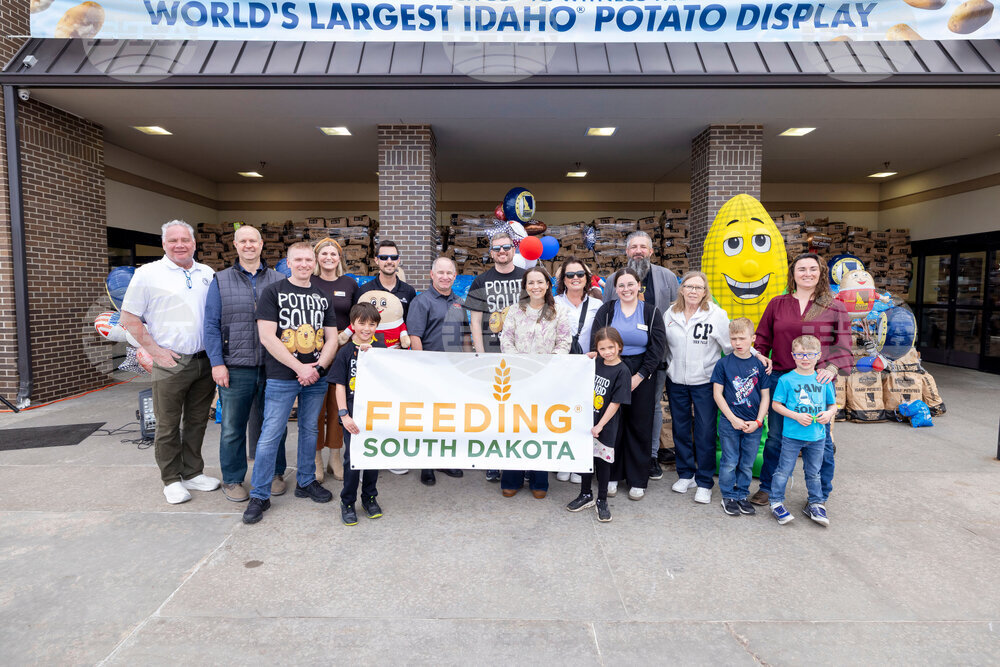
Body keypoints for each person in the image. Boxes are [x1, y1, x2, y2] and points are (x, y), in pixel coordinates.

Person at [121, 220, 220, 505]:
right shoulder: (148, 274)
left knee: (197, 421)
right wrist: (154, 351)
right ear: (164, 244)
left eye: (185, 240)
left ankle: (192, 472)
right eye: (173, 240)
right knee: (167, 424)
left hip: (204, 360)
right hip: (171, 362)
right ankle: (171, 479)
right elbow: (129, 319)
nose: (180, 245)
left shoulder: (207, 273)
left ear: (194, 243)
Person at [242, 242, 339, 525]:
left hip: (316, 377)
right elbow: (267, 336)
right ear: (288, 262)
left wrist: (319, 368)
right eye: (298, 259)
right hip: (283, 376)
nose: (304, 264)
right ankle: (259, 494)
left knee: (310, 430)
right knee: (271, 433)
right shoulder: (273, 292)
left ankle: (306, 482)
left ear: (314, 263)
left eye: (309, 260)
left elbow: (332, 337)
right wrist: (299, 367)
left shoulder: (322, 297)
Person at [750, 253, 852, 507]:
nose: (807, 273)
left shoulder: (834, 306)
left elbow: (844, 346)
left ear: (821, 273)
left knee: (821, 439)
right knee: (776, 437)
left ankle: (820, 493)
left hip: (817, 382)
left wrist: (831, 367)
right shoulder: (777, 304)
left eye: (812, 269)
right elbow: (762, 339)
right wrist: (762, 357)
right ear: (793, 274)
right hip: (781, 378)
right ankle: (768, 487)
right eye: (801, 269)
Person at [204, 224, 287, 502]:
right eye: (243, 241)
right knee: (232, 427)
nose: (249, 245)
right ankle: (233, 479)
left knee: (274, 424)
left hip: (273, 366)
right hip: (235, 365)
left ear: (262, 244)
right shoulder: (220, 280)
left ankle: (275, 473)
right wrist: (217, 363)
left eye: (254, 241)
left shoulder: (277, 278)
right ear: (236, 246)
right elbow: (211, 325)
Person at [601, 230, 678, 482]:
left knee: (651, 408)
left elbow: (675, 315)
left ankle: (651, 456)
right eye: (633, 246)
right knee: (618, 409)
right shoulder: (614, 279)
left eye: (643, 247)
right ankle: (617, 459)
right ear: (626, 252)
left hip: (654, 358)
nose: (638, 251)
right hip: (617, 362)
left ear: (651, 251)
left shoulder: (667, 278)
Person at [590, 268, 666, 501]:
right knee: (613, 424)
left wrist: (640, 375)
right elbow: (597, 339)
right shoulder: (607, 310)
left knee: (639, 424)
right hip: (611, 369)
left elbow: (657, 347)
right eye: (621, 285)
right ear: (615, 288)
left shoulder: (651, 312)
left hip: (641, 372)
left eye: (630, 284)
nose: (626, 289)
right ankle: (611, 475)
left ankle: (637, 479)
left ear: (638, 285)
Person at [499, 265, 572, 498]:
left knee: (540, 428)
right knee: (515, 427)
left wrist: (548, 367)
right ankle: (512, 478)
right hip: (518, 378)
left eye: (540, 282)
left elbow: (564, 343)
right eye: (531, 282)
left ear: (548, 285)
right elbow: (506, 340)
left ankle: (539, 481)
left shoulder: (558, 311)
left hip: (546, 379)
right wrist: (519, 365)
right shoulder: (514, 311)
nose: (535, 286)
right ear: (525, 286)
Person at [663, 271, 733, 505]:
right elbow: (664, 347)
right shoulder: (670, 313)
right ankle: (686, 474)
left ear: (705, 292)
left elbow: (730, 347)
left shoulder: (716, 315)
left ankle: (704, 481)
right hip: (677, 382)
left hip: (705, 382)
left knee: (704, 432)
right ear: (681, 289)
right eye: (689, 286)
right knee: (680, 429)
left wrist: (755, 357)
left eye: (698, 287)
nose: (693, 291)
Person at [465, 231, 526, 482]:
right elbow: (476, 321)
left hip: (522, 355)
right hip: (491, 353)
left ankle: (519, 462)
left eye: (507, 247)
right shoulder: (481, 281)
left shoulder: (526, 278)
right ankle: (493, 460)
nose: (502, 252)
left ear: (514, 249)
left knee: (520, 410)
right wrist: (480, 355)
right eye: (497, 248)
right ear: (490, 253)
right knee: (493, 411)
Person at [406, 256, 468, 485]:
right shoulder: (421, 302)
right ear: (432, 275)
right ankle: (427, 465)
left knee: (449, 417)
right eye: (440, 272)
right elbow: (415, 337)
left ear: (455, 276)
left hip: (454, 370)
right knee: (428, 419)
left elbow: (464, 336)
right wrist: (423, 368)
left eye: (449, 273)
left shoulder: (459, 302)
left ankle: (445, 459)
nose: (445, 277)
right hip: (430, 369)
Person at [768, 335, 837, 526]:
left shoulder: (823, 379)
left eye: (809, 354)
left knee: (814, 472)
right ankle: (775, 502)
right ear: (793, 355)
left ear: (818, 356)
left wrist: (828, 414)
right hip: (792, 436)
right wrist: (795, 416)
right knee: (784, 470)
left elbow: (833, 405)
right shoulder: (786, 379)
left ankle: (815, 503)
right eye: (799, 354)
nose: (805, 358)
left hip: (817, 437)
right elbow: (776, 405)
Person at [567, 327, 631, 522]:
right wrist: (588, 357)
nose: (607, 352)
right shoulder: (595, 362)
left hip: (605, 425)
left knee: (603, 463)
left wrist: (600, 425)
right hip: (588, 420)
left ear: (619, 346)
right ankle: (585, 494)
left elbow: (615, 402)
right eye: (602, 349)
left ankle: (601, 499)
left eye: (611, 347)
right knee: (587, 459)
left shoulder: (623, 371)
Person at [330, 302, 383, 526]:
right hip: (353, 415)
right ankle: (348, 501)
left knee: (373, 457)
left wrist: (377, 356)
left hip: (376, 415)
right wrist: (344, 415)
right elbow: (339, 385)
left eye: (372, 324)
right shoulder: (345, 353)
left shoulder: (381, 352)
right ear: (353, 325)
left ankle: (369, 497)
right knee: (353, 459)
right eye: (362, 323)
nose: (366, 328)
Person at [712, 317, 771, 516]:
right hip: (730, 423)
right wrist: (732, 419)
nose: (737, 343)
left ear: (753, 339)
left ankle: (742, 494)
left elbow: (765, 396)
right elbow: (717, 394)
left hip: (753, 424)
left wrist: (758, 421)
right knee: (730, 461)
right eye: (733, 339)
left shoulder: (759, 365)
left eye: (742, 338)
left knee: (747, 462)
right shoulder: (723, 364)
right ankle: (728, 495)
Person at [312, 237, 358, 483]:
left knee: (339, 407)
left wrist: (347, 337)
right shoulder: (309, 281)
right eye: (324, 253)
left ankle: (335, 457)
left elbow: (358, 315)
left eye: (333, 254)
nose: (329, 257)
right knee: (316, 409)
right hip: (315, 353)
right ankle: (317, 458)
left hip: (343, 352)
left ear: (339, 258)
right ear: (317, 257)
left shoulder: (349, 283)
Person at [554, 256, 602, 484]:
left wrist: (597, 353)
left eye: (579, 274)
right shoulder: (553, 303)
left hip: (588, 366)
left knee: (584, 413)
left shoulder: (596, 305)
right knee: (562, 411)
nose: (575, 278)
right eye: (570, 275)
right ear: (563, 279)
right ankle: (563, 460)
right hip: (562, 367)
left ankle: (579, 462)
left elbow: (603, 334)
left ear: (586, 278)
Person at [357, 239, 417, 320]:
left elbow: (412, 323)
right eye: (384, 257)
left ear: (398, 260)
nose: (389, 261)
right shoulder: (364, 291)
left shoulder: (409, 292)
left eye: (393, 257)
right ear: (376, 260)